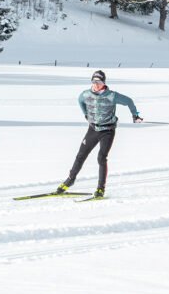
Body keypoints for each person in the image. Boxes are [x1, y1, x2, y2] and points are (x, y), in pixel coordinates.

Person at [56, 69, 142, 198]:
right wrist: (86, 114)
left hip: (107, 131)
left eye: (99, 81)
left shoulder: (112, 96)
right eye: (94, 81)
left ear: (104, 82)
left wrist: (135, 115)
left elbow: (129, 101)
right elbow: (80, 101)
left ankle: (100, 189)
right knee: (80, 156)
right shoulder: (85, 94)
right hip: (93, 129)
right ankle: (70, 180)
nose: (96, 84)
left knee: (101, 158)